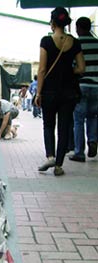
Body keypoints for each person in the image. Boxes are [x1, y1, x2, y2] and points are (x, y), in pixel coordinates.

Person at [34, 7, 85, 176]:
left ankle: (50, 156)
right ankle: (59, 165)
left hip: (49, 91)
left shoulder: (46, 41)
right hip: (69, 92)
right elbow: (81, 68)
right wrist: (69, 71)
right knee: (64, 127)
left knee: (48, 124)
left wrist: (38, 93)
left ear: (53, 23)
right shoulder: (74, 42)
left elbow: (41, 70)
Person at [69, 17, 98, 162]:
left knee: (78, 119)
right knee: (93, 116)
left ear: (79, 28)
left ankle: (79, 152)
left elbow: (74, 67)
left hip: (81, 86)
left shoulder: (77, 44)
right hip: (97, 87)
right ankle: (92, 140)